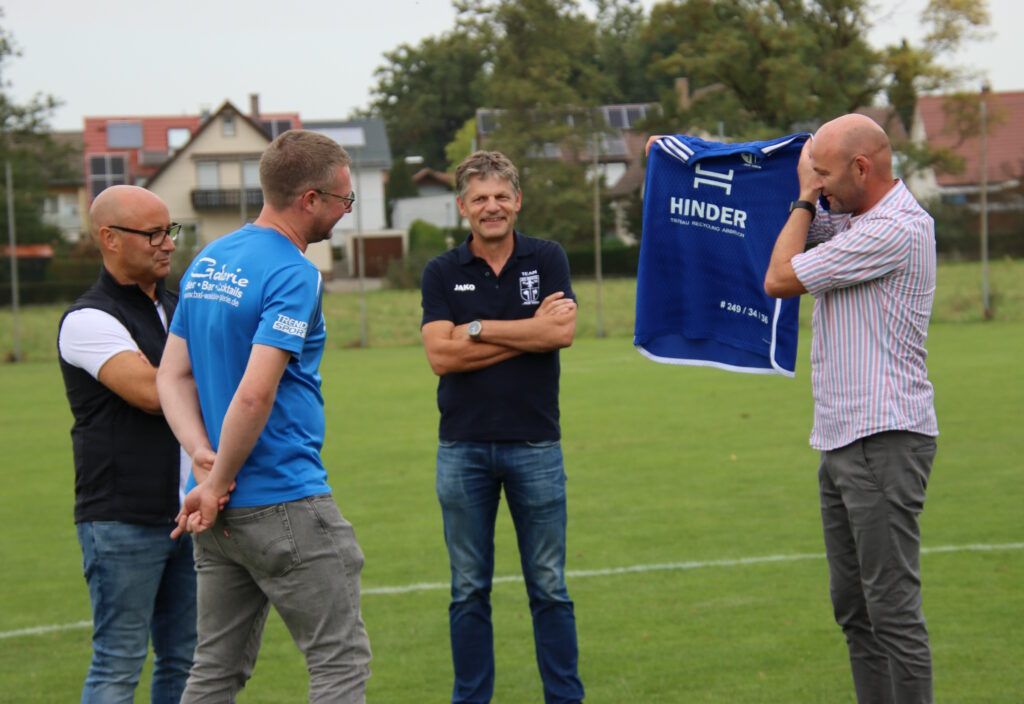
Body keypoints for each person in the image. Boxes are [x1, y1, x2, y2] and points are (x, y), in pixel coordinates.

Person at [156, 129, 371, 703]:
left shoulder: (207, 259)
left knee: (213, 671)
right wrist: (218, 477)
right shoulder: (294, 273)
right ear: (309, 199)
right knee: (339, 663)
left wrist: (203, 462)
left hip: (217, 513)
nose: (346, 212)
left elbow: (171, 375)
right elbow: (255, 394)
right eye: (344, 200)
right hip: (283, 498)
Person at [763, 113, 939, 704]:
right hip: (841, 437)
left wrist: (803, 198)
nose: (817, 186)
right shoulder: (853, 217)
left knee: (891, 610)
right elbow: (775, 217)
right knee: (854, 609)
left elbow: (780, 277)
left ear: (862, 168)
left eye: (825, 174)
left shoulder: (895, 229)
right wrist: (684, 157)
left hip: (884, 436)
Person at [420, 150, 584, 704]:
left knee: (549, 586)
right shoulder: (441, 271)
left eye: (501, 196)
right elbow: (440, 357)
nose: (492, 207)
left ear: (518, 202)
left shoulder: (548, 257)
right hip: (462, 449)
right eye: (480, 198)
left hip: (536, 445)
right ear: (462, 207)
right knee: (468, 590)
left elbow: (559, 335)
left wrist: (475, 329)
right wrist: (525, 332)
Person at [58, 185, 199, 703]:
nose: (168, 244)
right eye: (153, 234)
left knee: (186, 660)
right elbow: (153, 394)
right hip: (122, 518)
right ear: (110, 238)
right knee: (118, 664)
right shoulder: (87, 319)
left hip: (189, 512)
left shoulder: (179, 306)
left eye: (170, 230)